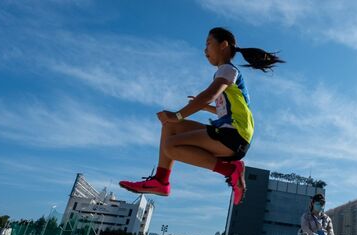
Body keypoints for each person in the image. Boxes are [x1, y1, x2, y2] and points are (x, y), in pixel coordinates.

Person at [119, 27, 284, 205]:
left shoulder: (227, 70)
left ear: (224, 45)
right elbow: (227, 110)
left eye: (208, 43)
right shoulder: (226, 72)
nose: (205, 50)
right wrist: (206, 108)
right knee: (170, 126)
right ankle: (161, 180)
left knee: (171, 145)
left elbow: (209, 95)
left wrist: (178, 114)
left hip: (235, 136)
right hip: (232, 132)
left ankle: (229, 170)